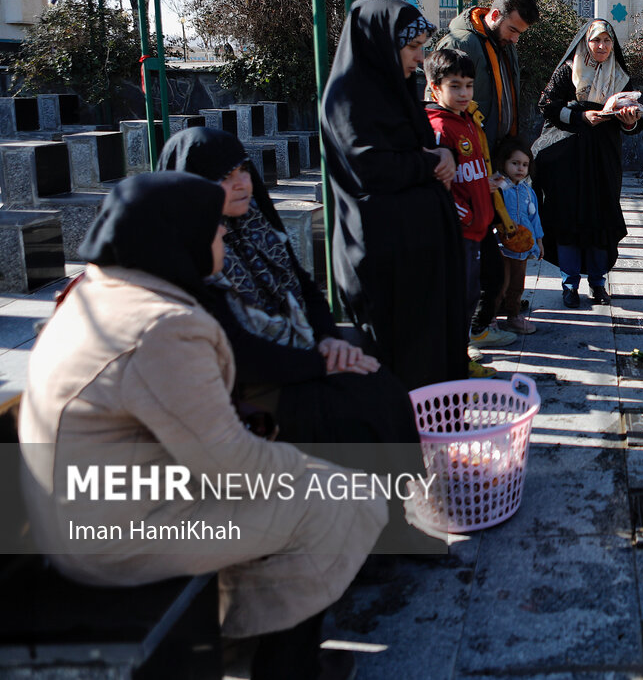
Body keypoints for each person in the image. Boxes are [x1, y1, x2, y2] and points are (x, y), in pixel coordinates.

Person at [18, 172, 386, 679]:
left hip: (90, 506)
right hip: (112, 533)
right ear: (179, 237)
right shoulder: (162, 329)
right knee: (339, 501)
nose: (220, 240)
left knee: (313, 487)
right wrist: (310, 470)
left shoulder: (103, 291)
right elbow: (232, 464)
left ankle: (252, 644)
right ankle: (281, 665)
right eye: (213, 231)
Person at [158, 128, 434, 547]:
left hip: (300, 353)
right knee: (343, 415)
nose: (241, 184)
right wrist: (321, 361)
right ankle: (352, 542)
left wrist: (328, 339)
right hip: (245, 385)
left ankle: (397, 521)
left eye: (242, 170)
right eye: (223, 177)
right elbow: (233, 348)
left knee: (382, 385)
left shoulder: (253, 221)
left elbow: (303, 286)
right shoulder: (191, 247)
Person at [321, 0, 469, 390]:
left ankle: (439, 441)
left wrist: (445, 155)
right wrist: (430, 162)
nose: (420, 59)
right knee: (401, 371)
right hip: (387, 261)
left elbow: (431, 148)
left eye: (422, 48)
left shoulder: (398, 91)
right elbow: (372, 168)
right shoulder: (347, 98)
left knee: (434, 366)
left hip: (420, 256)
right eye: (412, 47)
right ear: (379, 44)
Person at [436, 0, 541, 350]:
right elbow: (444, 96)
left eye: (519, 34)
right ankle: (481, 319)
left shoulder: (502, 43)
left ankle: (496, 309)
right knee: (485, 249)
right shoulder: (463, 42)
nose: (515, 38)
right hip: (471, 155)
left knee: (503, 237)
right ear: (495, 16)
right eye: (513, 30)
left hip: (496, 151)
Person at [533, 18, 643, 307]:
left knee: (601, 218)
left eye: (607, 41)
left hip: (603, 159)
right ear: (586, 42)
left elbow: (630, 123)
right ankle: (569, 285)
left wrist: (630, 121)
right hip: (568, 158)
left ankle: (598, 284)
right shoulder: (568, 72)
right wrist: (581, 117)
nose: (602, 46)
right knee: (568, 218)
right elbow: (547, 106)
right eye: (596, 40)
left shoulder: (619, 76)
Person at [424, 48, 501, 378]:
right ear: (434, 87)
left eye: (468, 85)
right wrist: (465, 215)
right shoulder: (439, 127)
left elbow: (467, 171)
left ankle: (458, 355)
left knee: (470, 295)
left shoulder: (467, 119)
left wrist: (486, 184)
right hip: (459, 232)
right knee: (456, 299)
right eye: (455, 85)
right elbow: (440, 187)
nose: (464, 93)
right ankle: (453, 364)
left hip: (476, 228)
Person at [495, 136, 544, 334]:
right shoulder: (497, 187)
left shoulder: (527, 191)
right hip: (500, 246)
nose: (520, 169)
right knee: (499, 283)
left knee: (517, 283)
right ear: (504, 162)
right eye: (515, 163)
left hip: (522, 247)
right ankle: (489, 320)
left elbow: (535, 219)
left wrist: (539, 241)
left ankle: (513, 316)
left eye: (524, 164)